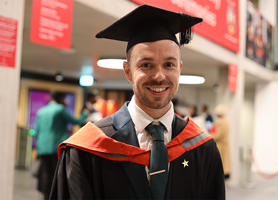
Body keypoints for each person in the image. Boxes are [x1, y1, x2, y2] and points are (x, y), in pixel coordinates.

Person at [50, 5, 225, 200]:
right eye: (146, 65)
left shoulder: (202, 148)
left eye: (169, 64)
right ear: (127, 71)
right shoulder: (87, 149)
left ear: (179, 69)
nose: (159, 76)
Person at [34, 91, 88, 199]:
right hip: (55, 147)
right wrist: (85, 113)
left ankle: (46, 195)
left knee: (46, 174)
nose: (66, 101)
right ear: (61, 98)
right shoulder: (60, 109)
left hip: (42, 147)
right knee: (55, 175)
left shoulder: (41, 111)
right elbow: (77, 121)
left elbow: (37, 131)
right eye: (64, 99)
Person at [212, 104, 231, 180]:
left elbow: (217, 135)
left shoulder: (219, 122)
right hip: (225, 145)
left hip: (220, 146)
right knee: (225, 164)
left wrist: (209, 135)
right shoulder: (226, 121)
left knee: (220, 165)